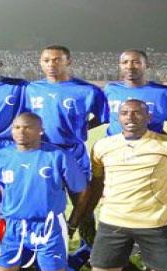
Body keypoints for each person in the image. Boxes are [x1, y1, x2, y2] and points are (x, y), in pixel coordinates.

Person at [69, 99, 167, 271]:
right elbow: (97, 184)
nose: (130, 117)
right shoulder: (103, 146)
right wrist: (85, 215)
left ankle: (155, 256)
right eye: (125, 113)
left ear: (148, 117)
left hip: (155, 222)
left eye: (137, 113)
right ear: (118, 118)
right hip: (114, 221)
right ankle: (129, 258)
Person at [0, 113, 87, 271]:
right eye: (17, 127)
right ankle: (32, 255)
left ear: (40, 131)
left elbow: (81, 188)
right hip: (12, 223)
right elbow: (2, 187)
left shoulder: (58, 155)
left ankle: (75, 258)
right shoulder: (1, 156)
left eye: (28, 127)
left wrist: (73, 222)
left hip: (48, 224)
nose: (21, 132)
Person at [24, 45, 107, 178]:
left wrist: (83, 127)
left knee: (81, 196)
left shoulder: (88, 90)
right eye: (46, 60)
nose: (51, 64)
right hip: (42, 150)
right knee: (46, 195)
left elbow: (103, 117)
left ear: (68, 61)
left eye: (57, 60)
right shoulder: (32, 89)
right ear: (40, 62)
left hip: (73, 150)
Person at [103, 49, 167, 136]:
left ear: (146, 65)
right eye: (125, 62)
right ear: (120, 65)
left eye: (136, 62)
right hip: (114, 146)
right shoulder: (110, 89)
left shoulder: (164, 93)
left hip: (149, 146)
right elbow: (102, 117)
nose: (130, 66)